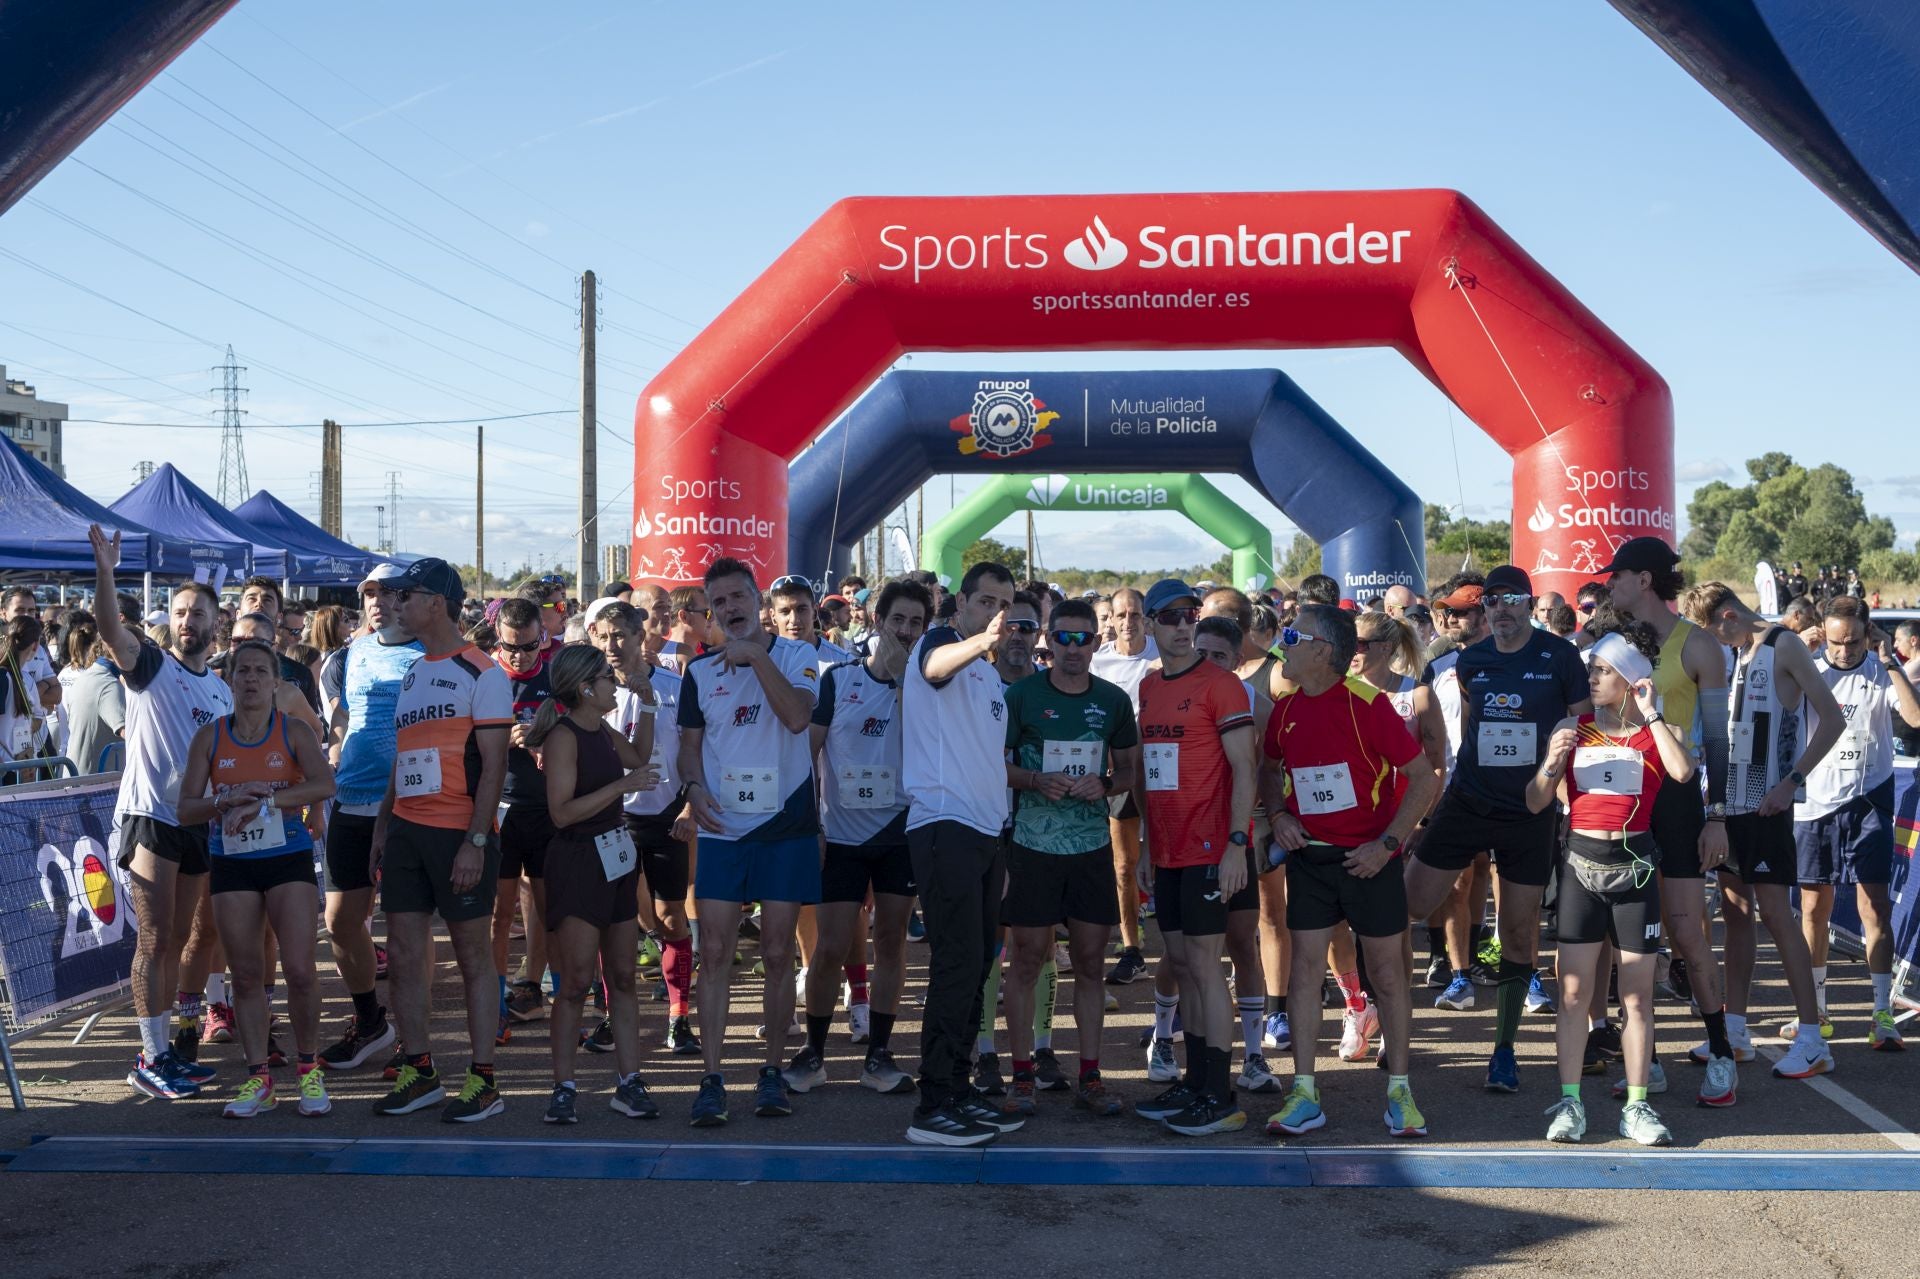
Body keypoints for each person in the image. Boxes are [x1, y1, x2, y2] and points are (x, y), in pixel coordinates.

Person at [1403, 565, 1592, 1093]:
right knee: (1406, 906)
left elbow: (1584, 725)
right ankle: (1390, 1027)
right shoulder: (1471, 659)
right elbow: (1469, 727)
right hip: (1470, 799)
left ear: (1529, 604)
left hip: (1530, 810)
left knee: (1516, 930)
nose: (1501, 609)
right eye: (1492, 601)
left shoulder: (1559, 657)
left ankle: (1503, 1049)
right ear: (1483, 609)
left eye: (1512, 599)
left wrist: (1564, 791)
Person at [1260, 603, 1439, 1138]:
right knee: (1304, 974)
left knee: (1387, 975)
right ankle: (1305, 1092)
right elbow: (1270, 770)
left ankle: (1401, 1093)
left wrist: (1387, 845)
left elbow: (1423, 778)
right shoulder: (1286, 706)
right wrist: (1279, 815)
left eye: (1293, 635)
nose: (1282, 644)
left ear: (1322, 651)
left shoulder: (1370, 706)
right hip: (1310, 860)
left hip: (1368, 860)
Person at [1530, 625, 1692, 1146]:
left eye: (1602, 671)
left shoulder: (1653, 731)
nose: (1591, 679)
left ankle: (1638, 1106)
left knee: (1637, 998)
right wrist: (1553, 763)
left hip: (1636, 870)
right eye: (1591, 670)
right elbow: (1535, 801)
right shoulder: (1572, 727)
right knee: (1574, 996)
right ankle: (1570, 1103)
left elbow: (1683, 772)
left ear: (1628, 679)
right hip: (1580, 867)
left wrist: (1653, 713)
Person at [678, 557, 822, 1126]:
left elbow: (796, 718)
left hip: (784, 825)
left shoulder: (798, 655)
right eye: (720, 603)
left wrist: (759, 658)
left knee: (777, 951)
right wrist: (692, 786)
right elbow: (690, 746)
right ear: (711, 611)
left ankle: (770, 1070)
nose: (730, 609)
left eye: (739, 597)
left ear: (757, 601)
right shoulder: (699, 673)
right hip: (723, 830)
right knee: (713, 954)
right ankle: (711, 1077)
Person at [86, 525, 229, 1099]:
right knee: (155, 937)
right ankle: (149, 1055)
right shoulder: (150, 666)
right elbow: (108, 628)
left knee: (181, 938)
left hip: (197, 822)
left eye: (199, 613)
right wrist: (105, 571)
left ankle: (168, 1050)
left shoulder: (218, 689)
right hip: (150, 817)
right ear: (168, 620)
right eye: (180, 612)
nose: (188, 621)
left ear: (216, 624)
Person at [1680, 581, 1844, 1079]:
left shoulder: (1783, 644)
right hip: (1731, 805)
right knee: (1736, 912)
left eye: (1712, 633)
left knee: (1776, 914)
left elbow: (1832, 720)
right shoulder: (1738, 655)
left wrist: (1791, 781)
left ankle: (1813, 1039)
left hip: (1769, 806)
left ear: (1728, 617)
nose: (1712, 645)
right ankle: (1734, 1031)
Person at [1596, 537, 1739, 1106]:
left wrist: (1718, 817)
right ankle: (1646, 1062)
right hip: (1620, 800)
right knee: (1631, 944)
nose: (1610, 585)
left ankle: (1721, 1052)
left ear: (1646, 580)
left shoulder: (1698, 645)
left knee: (1686, 935)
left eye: (1618, 576)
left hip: (1677, 803)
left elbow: (1721, 744)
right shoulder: (1606, 642)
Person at [371, 558, 513, 1123]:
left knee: (472, 957)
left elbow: (496, 767)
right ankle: (420, 1069)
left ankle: (483, 1080)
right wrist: (385, 822)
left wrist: (475, 840)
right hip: (408, 830)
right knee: (405, 956)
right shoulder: (411, 672)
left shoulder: (485, 672)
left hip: (460, 831)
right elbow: (404, 757)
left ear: (437, 602)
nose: (396, 603)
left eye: (406, 594)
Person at [175, 640, 337, 1118]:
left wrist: (267, 800)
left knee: (302, 970)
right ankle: (259, 1079)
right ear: (229, 680)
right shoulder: (212, 737)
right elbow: (186, 808)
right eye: (241, 671)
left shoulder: (293, 732)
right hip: (233, 862)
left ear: (275, 682)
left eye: (259, 672)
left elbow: (325, 783)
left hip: (287, 857)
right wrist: (225, 801)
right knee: (244, 976)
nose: (249, 679)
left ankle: (308, 1069)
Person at [786, 579, 933, 1099]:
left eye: (917, 623)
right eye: (899, 620)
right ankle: (814, 1054)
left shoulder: (927, 687)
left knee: (891, 941)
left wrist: (903, 685)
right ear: (877, 620)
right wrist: (814, 826)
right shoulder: (837, 680)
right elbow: (807, 754)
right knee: (829, 947)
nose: (908, 631)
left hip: (900, 833)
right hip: (841, 837)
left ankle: (880, 1054)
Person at [996, 597, 1140, 1120]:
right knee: (1027, 961)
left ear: (1096, 644)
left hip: (1089, 849)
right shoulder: (1022, 696)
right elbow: (993, 762)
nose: (1073, 649)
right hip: (1033, 847)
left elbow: (1128, 772)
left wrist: (1101, 785)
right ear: (1048, 641)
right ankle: (1023, 1075)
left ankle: (1092, 1076)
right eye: (1064, 638)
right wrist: (1035, 780)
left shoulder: (1113, 700)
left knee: (1088, 966)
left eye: (1083, 639)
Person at [901, 561, 1026, 1147]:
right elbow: (931, 667)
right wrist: (981, 638)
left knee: (977, 968)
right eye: (986, 603)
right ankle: (933, 1103)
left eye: (1007, 605)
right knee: (955, 965)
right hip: (942, 825)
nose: (999, 615)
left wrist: (1000, 837)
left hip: (983, 834)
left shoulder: (991, 679)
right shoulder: (942, 643)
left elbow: (988, 766)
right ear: (961, 605)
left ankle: (958, 1085)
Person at [1129, 579, 1259, 1136]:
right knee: (1182, 966)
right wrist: (1145, 848)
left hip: (1212, 847)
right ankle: (1197, 1081)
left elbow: (1248, 769)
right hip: (1169, 849)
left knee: (1205, 969)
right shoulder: (1150, 686)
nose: (1182, 626)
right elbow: (1148, 774)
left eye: (1190, 615)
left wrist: (1236, 844)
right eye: (1170, 617)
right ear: (1151, 625)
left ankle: (1219, 1094)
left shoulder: (1222, 685)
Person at [528, 643, 661, 1123]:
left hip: (616, 856)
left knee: (623, 977)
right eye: (607, 677)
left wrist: (646, 701)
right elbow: (562, 813)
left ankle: (629, 1081)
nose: (614, 681)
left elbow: (638, 756)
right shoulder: (565, 736)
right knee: (577, 981)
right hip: (579, 858)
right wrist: (620, 790)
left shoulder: (600, 727)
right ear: (586, 688)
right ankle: (564, 1086)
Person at [1790, 596, 1920, 1051]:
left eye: (1854, 641)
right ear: (1824, 633)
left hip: (1869, 803)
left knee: (1874, 909)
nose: (1844, 650)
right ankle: (1816, 1009)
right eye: (1836, 641)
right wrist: (1797, 654)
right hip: (1814, 806)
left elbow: (1916, 716)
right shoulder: (1809, 670)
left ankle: (1882, 1012)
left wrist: (1891, 664)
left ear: (1870, 634)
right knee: (1813, 911)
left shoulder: (1878, 670)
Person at [317, 565, 418, 1074]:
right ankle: (370, 1021)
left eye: (389, 592)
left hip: (407, 809)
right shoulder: (348, 655)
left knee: (404, 933)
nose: (378, 601)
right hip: (351, 802)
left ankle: (413, 1044)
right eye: (370, 593)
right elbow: (341, 724)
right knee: (340, 922)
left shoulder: (430, 653)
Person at [591, 601, 700, 1056]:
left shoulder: (676, 687)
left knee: (673, 917)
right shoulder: (592, 694)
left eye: (621, 636)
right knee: (614, 921)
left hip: (666, 817)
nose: (612, 646)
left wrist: (690, 808)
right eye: (603, 637)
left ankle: (679, 1017)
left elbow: (700, 753)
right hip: (614, 819)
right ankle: (612, 1018)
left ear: (641, 638)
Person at [489, 598, 557, 1038]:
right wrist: (504, 740)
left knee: (544, 904)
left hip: (546, 807)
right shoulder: (486, 674)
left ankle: (532, 983)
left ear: (543, 637)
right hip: (498, 807)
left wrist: (545, 738)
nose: (519, 656)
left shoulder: (556, 673)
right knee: (500, 909)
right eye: (510, 647)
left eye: (528, 647)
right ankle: (494, 994)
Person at [1090, 587, 1157, 985]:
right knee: (1123, 864)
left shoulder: (1160, 658)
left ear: (1144, 617)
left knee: (1167, 857)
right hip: (1120, 769)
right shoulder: (1098, 663)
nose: (1128, 622)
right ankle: (1132, 949)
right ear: (1111, 620)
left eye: (1135, 614)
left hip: (1164, 769)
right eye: (1121, 615)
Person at [55, 611, 125, 775]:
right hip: (94, 782)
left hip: (73, 767)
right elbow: (129, 732)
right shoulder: (108, 684)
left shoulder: (82, 676)